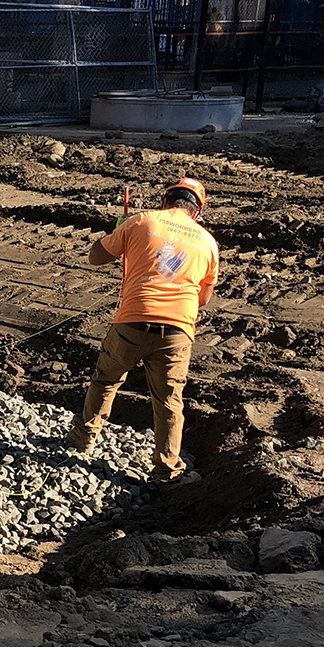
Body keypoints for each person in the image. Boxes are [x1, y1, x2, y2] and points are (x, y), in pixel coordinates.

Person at [68, 176, 219, 484]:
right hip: (177, 331)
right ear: (197, 212)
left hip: (132, 321)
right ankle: (167, 470)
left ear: (165, 201)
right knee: (168, 402)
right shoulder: (207, 242)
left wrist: (118, 232)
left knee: (106, 380)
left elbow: (96, 257)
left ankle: (83, 441)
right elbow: (202, 299)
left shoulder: (142, 220)